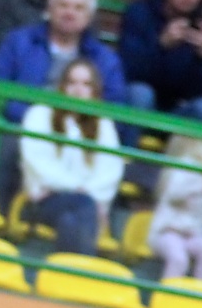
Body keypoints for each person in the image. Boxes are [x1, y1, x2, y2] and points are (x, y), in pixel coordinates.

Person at [0, 0, 126, 209]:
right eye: (63, 5)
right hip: (20, 127)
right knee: (4, 144)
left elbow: (114, 108)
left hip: (80, 133)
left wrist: (74, 124)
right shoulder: (18, 41)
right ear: (49, 9)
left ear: (89, 17)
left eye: (78, 8)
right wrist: (36, 120)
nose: (70, 13)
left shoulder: (105, 60)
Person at [18, 58, 124, 255]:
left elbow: (110, 172)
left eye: (86, 85)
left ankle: (62, 269)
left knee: (71, 220)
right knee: (83, 205)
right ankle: (79, 272)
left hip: (87, 206)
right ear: (62, 86)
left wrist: (83, 193)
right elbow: (37, 163)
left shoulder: (104, 124)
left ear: (95, 91)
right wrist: (77, 188)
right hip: (43, 202)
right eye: (72, 83)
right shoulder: (40, 113)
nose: (78, 90)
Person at [149, 135, 202, 281]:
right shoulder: (181, 166)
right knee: (178, 258)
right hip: (167, 232)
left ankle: (199, 292)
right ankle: (166, 293)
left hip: (190, 235)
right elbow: (175, 193)